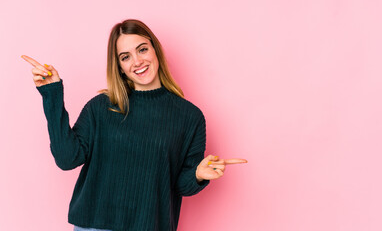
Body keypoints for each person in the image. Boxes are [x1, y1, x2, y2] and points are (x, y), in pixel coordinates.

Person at [22, 19, 247, 231]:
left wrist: (198, 173)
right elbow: (67, 159)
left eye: (142, 49)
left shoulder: (190, 117)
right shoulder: (101, 108)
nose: (137, 62)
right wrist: (51, 94)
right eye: (125, 57)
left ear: (155, 50)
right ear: (119, 66)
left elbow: (180, 185)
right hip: (94, 225)